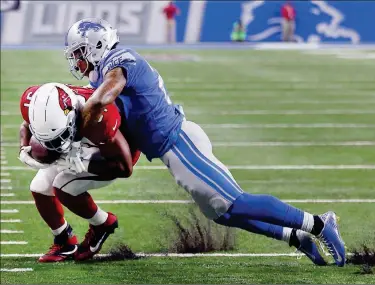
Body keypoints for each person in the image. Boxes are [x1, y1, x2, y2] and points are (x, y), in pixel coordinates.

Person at [63, 18, 346, 266]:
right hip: (172, 148)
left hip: (180, 143)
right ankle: (295, 237)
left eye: (79, 53)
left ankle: (320, 224)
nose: (76, 61)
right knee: (223, 214)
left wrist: (74, 133)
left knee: (236, 203)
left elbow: (102, 99)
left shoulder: (120, 59)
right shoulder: (100, 72)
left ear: (97, 45)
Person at [18, 83, 140, 262]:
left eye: (58, 137)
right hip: (77, 140)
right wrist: (23, 147)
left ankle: (103, 223)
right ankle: (64, 240)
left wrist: (85, 164)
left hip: (108, 151)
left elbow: (124, 168)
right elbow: (27, 124)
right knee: (39, 187)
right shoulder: (34, 100)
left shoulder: (99, 118)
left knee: (62, 186)